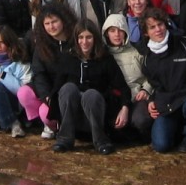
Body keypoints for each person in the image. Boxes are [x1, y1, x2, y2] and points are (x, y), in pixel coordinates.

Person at [49, 21, 130, 154]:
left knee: (90, 94)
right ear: (76, 39)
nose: (84, 42)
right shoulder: (68, 58)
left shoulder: (105, 59)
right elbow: (57, 88)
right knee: (68, 88)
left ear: (95, 39)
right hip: (72, 115)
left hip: (96, 113)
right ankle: (65, 139)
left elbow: (122, 87)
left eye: (89, 37)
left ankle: (101, 141)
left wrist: (125, 108)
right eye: (81, 37)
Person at [137, 7, 186, 154]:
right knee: (160, 145)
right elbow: (155, 85)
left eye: (160, 24)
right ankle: (177, 132)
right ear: (146, 32)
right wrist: (152, 100)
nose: (158, 29)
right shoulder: (147, 58)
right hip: (167, 103)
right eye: (152, 27)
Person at [18, 4, 78, 139]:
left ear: (63, 20)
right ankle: (46, 123)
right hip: (47, 89)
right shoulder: (42, 44)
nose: (52, 26)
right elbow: (38, 72)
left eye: (55, 21)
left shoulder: (75, 41)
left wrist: (54, 96)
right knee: (24, 93)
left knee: (47, 112)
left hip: (66, 89)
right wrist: (45, 95)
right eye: (47, 23)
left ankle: (56, 123)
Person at [102, 13, 154, 139]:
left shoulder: (137, 51)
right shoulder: (102, 55)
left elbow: (152, 75)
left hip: (137, 96)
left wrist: (146, 89)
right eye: (112, 31)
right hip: (114, 99)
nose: (116, 34)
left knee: (141, 120)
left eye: (120, 30)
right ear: (106, 33)